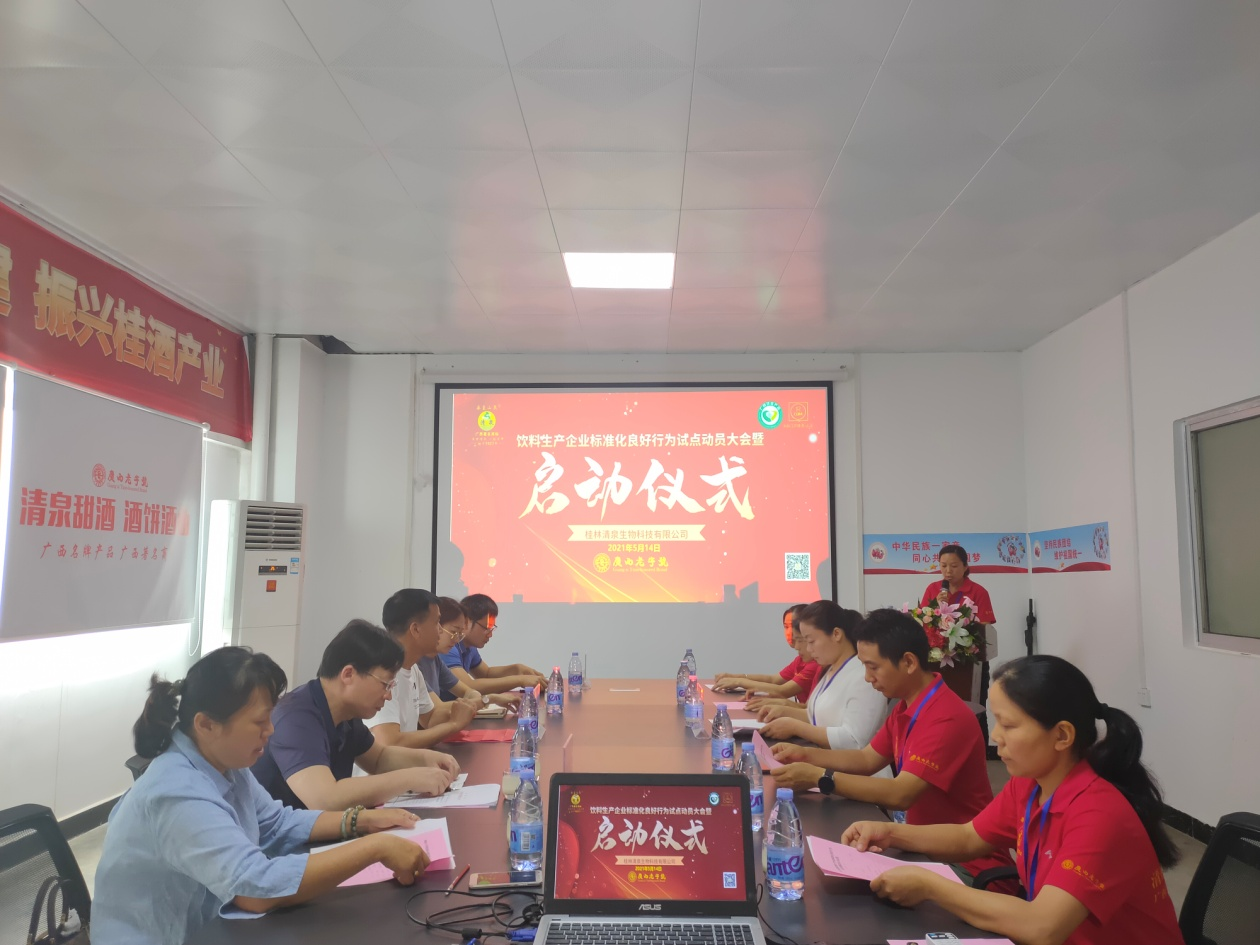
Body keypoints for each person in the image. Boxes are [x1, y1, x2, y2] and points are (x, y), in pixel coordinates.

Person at [92, 647, 432, 945]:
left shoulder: (225, 762)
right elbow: (253, 889)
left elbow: (276, 823)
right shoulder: (176, 792)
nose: (270, 730)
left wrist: (360, 821)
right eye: (260, 722)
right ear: (206, 725)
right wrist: (373, 848)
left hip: (212, 928)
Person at [840, 655, 1184, 945]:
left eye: (1008, 725)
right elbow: (969, 836)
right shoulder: (1031, 784)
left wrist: (930, 885)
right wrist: (891, 833)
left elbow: (1042, 926)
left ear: (1062, 735)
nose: (996, 737)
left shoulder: (1099, 814)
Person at [771, 608, 1012, 884]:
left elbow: (901, 794)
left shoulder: (945, 716)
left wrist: (821, 778)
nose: (867, 677)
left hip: (966, 865)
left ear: (908, 662)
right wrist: (805, 754)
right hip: (922, 847)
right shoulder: (905, 706)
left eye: (873, 667)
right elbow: (867, 759)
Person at [252, 620, 459, 810]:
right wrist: (410, 778)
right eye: (385, 684)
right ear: (348, 674)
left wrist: (427, 758)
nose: (388, 695)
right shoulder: (295, 717)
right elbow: (325, 799)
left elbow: (379, 759)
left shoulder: (346, 714)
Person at [756, 602, 890, 754]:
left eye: (811, 641)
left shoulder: (863, 676)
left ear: (836, 634)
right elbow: (817, 717)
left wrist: (795, 727)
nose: (808, 649)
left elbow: (853, 741)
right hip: (823, 758)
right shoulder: (831, 669)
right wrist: (782, 712)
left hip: (848, 767)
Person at [368, 588, 480, 749]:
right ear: (415, 629)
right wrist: (454, 724)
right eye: (436, 623)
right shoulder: (382, 672)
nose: (440, 630)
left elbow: (430, 718)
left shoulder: (413, 669)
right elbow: (390, 742)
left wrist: (462, 709)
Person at [924, 543, 998, 706]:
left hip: (971, 663)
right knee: (939, 707)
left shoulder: (978, 592)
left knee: (975, 709)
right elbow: (924, 623)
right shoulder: (933, 589)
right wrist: (935, 605)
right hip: (937, 661)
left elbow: (984, 629)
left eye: (954, 566)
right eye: (943, 566)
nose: (948, 571)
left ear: (965, 566)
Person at [421, 596, 522, 711]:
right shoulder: (415, 665)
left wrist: (488, 699)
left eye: (459, 633)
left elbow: (469, 692)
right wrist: (490, 699)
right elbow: (436, 710)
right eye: (454, 632)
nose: (456, 640)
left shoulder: (436, 660)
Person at [439, 593, 547, 699]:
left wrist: (517, 669)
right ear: (468, 621)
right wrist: (520, 680)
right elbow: (469, 687)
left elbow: (486, 673)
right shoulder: (448, 647)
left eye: (492, 629)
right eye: (487, 628)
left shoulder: (469, 647)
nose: (490, 635)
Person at [714, 605, 821, 703]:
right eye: (786, 626)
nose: (791, 633)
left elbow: (782, 691)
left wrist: (739, 681)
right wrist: (738, 678)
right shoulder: (800, 660)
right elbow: (774, 680)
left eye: (794, 627)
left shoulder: (815, 664)